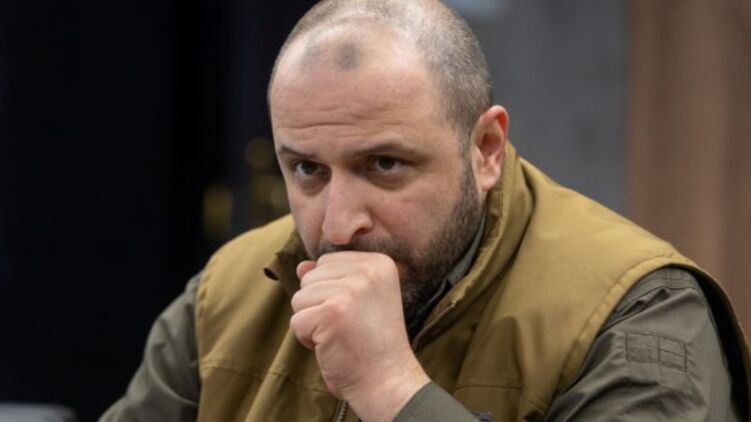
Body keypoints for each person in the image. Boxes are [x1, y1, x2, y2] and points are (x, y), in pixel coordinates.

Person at [101, 0, 751, 421]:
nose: (338, 224)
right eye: (307, 170)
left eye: (384, 164)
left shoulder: (640, 312)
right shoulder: (229, 292)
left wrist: (393, 390)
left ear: (486, 149)